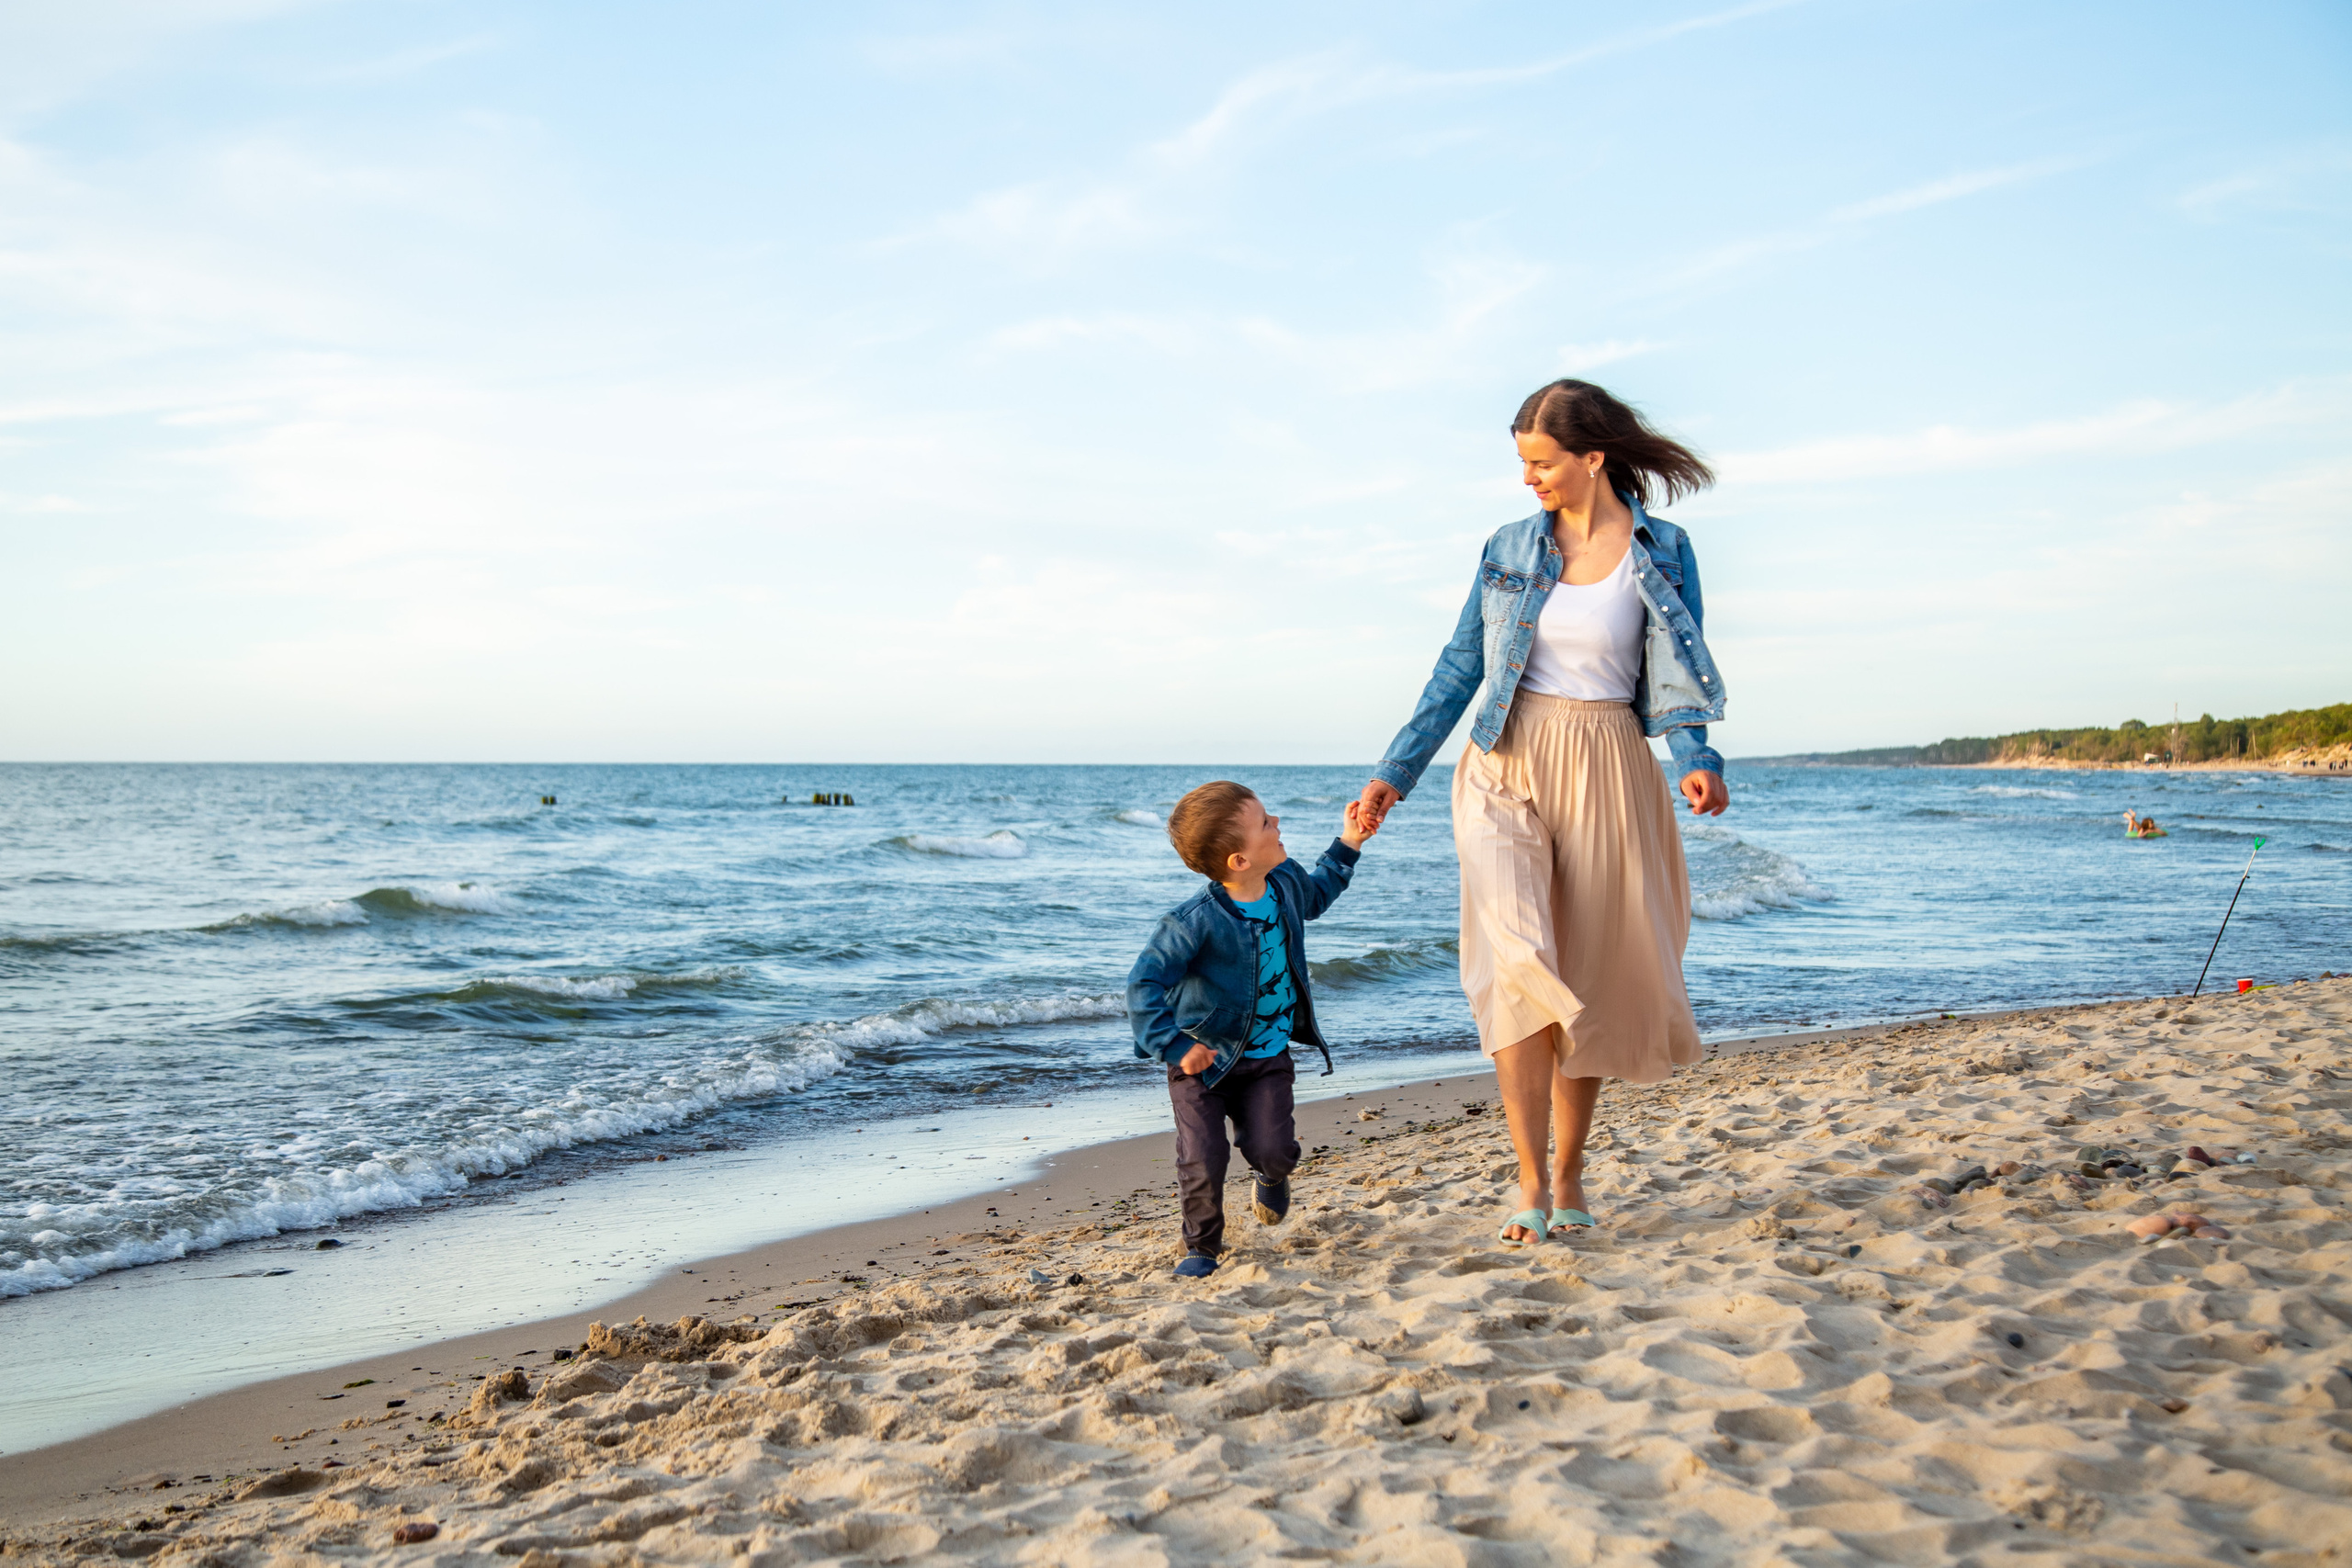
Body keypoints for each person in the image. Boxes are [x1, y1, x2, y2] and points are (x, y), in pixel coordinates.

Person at [1353, 379, 1728, 1247]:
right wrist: (1393, 773)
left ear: (1593, 457)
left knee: (1584, 978)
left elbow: (1679, 672)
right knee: (1517, 960)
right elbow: (1459, 665)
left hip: (1607, 764)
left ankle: (1567, 1172)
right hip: (1504, 760)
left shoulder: (1663, 550)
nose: (1529, 479)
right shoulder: (1509, 546)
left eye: (1541, 462)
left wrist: (1697, 763)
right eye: (1522, 463)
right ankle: (1526, 1176)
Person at [1126, 783, 1376, 1278]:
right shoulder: (1192, 923)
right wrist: (1176, 1044)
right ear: (1239, 860)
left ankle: (1270, 1173)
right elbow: (1143, 983)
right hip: (1203, 1063)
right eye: (1265, 822)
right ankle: (1201, 1247)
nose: (1277, 822)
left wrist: (1350, 841)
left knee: (1274, 1150)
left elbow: (1319, 892)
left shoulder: (1282, 882)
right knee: (1203, 1157)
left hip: (1267, 1056)